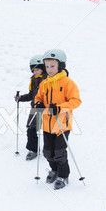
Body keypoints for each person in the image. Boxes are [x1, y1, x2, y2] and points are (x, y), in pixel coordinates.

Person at [34, 49, 81, 189]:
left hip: (62, 125)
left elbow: (76, 101)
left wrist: (59, 108)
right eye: (47, 66)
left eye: (52, 66)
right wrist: (38, 104)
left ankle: (63, 175)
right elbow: (38, 98)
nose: (49, 69)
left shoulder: (68, 83)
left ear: (60, 65)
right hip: (47, 124)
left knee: (59, 152)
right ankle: (54, 170)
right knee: (48, 152)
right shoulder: (44, 83)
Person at [15, 55, 47, 160]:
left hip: (47, 108)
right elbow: (31, 95)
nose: (35, 72)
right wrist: (21, 98)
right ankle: (33, 149)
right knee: (30, 127)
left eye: (37, 69)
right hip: (35, 108)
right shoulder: (33, 80)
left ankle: (50, 150)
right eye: (33, 70)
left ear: (42, 68)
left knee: (49, 130)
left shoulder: (48, 79)